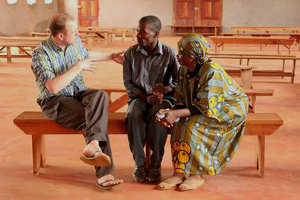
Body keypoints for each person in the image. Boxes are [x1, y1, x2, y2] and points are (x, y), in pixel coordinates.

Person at [31, 13, 123, 189]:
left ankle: (93, 145)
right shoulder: (40, 54)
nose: (77, 34)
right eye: (73, 31)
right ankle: (105, 174)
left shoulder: (74, 43)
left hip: (78, 93)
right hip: (54, 101)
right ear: (60, 36)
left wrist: (112, 56)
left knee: (100, 96)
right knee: (95, 119)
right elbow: (52, 87)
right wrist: (77, 67)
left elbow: (87, 54)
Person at [156, 34, 249, 191]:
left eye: (182, 53)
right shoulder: (184, 70)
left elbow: (207, 106)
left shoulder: (212, 71)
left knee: (193, 126)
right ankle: (179, 172)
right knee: (178, 126)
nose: (178, 56)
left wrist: (177, 114)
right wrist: (168, 113)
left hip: (228, 110)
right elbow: (181, 97)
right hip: (202, 106)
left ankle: (197, 174)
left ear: (193, 56)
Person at [123, 15, 179, 183]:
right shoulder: (131, 53)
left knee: (159, 117)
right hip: (139, 98)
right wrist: (145, 97)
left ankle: (155, 166)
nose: (139, 35)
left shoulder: (168, 53)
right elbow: (128, 83)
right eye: (138, 31)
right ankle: (139, 165)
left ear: (156, 34)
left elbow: (177, 81)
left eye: (143, 32)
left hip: (162, 100)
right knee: (134, 115)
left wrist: (165, 89)